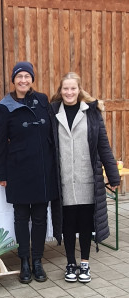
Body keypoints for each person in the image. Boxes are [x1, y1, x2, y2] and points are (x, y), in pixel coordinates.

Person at [0, 61, 60, 284]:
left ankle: (38, 261)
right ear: (13, 80)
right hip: (18, 169)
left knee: (40, 217)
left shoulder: (42, 100)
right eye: (19, 76)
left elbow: (52, 134)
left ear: (32, 79)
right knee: (21, 217)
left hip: (42, 170)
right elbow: (1, 142)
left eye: (27, 76)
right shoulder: (5, 106)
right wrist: (0, 172)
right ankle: (24, 261)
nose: (23, 80)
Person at [50, 72, 120, 283]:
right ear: (60, 91)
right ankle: (70, 263)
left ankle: (85, 264)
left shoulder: (91, 112)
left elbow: (103, 146)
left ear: (79, 90)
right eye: (65, 88)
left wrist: (113, 176)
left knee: (85, 223)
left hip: (87, 178)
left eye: (73, 88)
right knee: (68, 223)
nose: (69, 92)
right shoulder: (53, 112)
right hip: (64, 181)